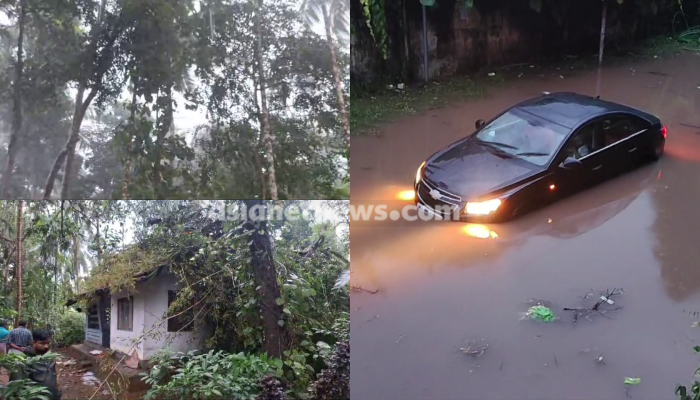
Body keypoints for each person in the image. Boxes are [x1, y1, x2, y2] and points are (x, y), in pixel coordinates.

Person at [9, 329, 61, 400]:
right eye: (42, 343)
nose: (46, 346)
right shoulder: (23, 360)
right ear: (34, 343)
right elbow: (16, 386)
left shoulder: (49, 357)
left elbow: (53, 378)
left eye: (48, 343)